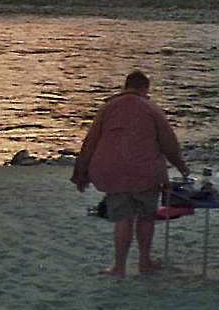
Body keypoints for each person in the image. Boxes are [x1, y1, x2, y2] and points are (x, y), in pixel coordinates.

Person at [71, 70, 190, 279]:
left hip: (114, 173)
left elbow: (89, 143)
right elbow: (168, 143)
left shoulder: (107, 108)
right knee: (146, 218)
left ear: (125, 86)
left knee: (123, 219)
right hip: (146, 173)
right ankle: (144, 263)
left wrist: (81, 174)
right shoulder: (151, 109)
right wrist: (180, 166)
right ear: (145, 88)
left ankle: (119, 267)